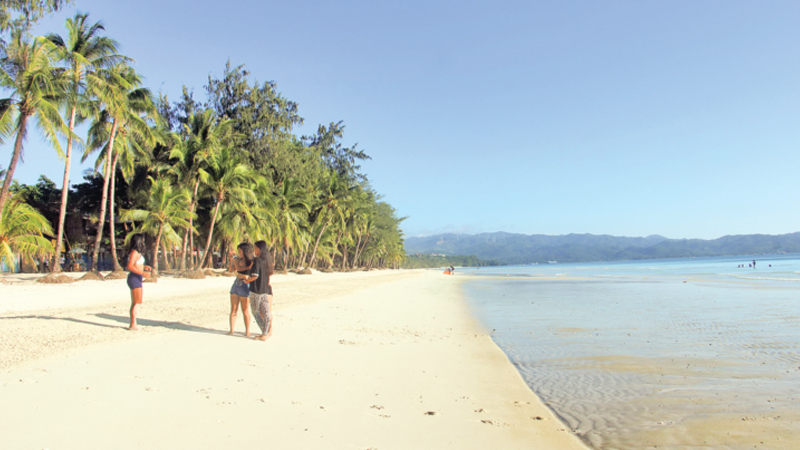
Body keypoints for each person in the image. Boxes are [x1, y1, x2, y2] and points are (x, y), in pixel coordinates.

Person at [245, 240, 274, 341]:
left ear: (259, 249)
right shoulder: (268, 260)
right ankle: (266, 333)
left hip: (256, 290)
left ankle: (264, 333)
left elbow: (255, 275)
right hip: (265, 289)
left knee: (256, 312)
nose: (255, 250)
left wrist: (247, 280)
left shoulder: (257, 260)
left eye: (256, 248)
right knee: (266, 312)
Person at [228, 242, 255, 336]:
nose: (239, 253)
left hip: (245, 284)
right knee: (233, 309)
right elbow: (231, 270)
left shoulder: (250, 261)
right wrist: (232, 260)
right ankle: (231, 330)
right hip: (236, 283)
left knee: (245, 310)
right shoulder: (237, 259)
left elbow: (240, 268)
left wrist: (235, 259)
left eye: (240, 251)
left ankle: (247, 331)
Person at [126, 234, 151, 330]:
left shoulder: (138, 253)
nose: (144, 243)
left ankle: (134, 323)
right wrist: (143, 273)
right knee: (135, 302)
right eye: (143, 241)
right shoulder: (134, 252)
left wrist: (144, 267)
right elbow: (130, 266)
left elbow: (136, 264)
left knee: (138, 301)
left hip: (138, 277)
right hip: (134, 277)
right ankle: (132, 324)